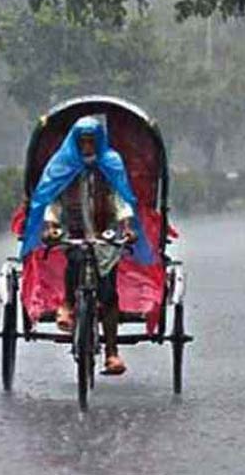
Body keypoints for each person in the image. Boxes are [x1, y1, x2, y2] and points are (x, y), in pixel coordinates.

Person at [19, 116, 152, 376]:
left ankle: (112, 353)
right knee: (74, 261)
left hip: (106, 235)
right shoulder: (63, 165)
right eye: (83, 142)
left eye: (92, 142)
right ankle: (68, 304)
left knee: (109, 294)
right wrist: (50, 225)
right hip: (74, 232)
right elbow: (52, 200)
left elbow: (120, 198)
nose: (88, 147)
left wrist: (126, 226)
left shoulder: (110, 164)